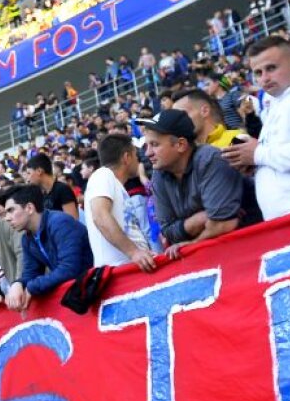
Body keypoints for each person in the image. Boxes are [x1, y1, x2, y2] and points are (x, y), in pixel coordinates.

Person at [222, 37, 290, 220]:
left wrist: (258, 154)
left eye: (271, 68)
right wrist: (253, 163)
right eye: (258, 72)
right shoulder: (277, 103)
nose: (264, 78)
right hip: (288, 217)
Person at [142, 109, 245, 256]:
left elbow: (224, 224)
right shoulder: (159, 173)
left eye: (155, 144)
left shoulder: (210, 159)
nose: (148, 153)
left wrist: (192, 244)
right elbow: (168, 231)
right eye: (147, 146)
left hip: (242, 251)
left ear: (181, 145)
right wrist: (198, 220)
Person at [172, 90, 262, 226]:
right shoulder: (183, 157)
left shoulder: (238, 139)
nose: (177, 123)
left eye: (183, 115)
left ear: (204, 111)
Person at [0, 185, 94, 310]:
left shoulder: (60, 223)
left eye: (11, 210)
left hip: (96, 287)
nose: (7, 218)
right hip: (80, 294)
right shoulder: (27, 238)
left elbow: (70, 269)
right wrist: (18, 283)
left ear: (29, 208)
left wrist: (32, 287)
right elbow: (31, 273)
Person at [85, 134, 158, 270]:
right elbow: (100, 215)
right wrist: (134, 252)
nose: (138, 160)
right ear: (126, 157)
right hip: (118, 273)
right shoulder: (103, 175)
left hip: (131, 268)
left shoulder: (116, 184)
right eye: (136, 155)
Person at [24, 153, 79, 218]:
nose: (26, 177)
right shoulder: (41, 193)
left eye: (29, 173)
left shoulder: (62, 189)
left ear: (39, 171)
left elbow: (73, 220)